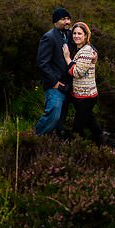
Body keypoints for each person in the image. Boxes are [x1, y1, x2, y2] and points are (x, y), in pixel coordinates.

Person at [34, 7, 75, 136]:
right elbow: (42, 62)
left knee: (60, 120)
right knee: (53, 115)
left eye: (68, 19)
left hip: (67, 85)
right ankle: (33, 138)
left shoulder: (69, 34)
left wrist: (94, 51)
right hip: (55, 86)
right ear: (55, 21)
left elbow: (85, 38)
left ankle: (54, 146)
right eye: (63, 19)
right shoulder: (49, 37)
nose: (67, 22)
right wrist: (54, 82)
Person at [63, 21, 104, 144]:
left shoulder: (86, 51)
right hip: (81, 95)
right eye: (74, 33)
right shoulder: (82, 49)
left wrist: (67, 58)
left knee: (77, 128)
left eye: (80, 33)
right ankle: (103, 146)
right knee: (91, 122)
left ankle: (76, 152)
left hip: (86, 97)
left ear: (86, 35)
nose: (76, 36)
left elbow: (77, 72)